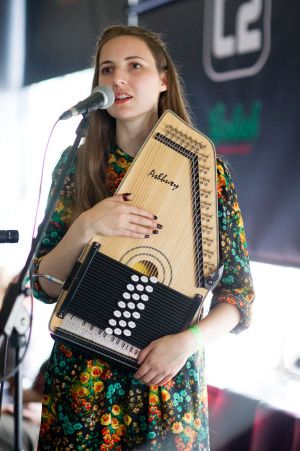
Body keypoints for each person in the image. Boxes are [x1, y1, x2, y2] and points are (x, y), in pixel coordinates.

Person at [31, 25, 254, 450]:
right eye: (107, 69)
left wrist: (186, 343)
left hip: (164, 386)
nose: (118, 79)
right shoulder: (76, 165)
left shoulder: (208, 173)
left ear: (164, 80)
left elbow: (238, 297)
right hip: (82, 385)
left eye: (135, 66)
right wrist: (87, 227)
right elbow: (43, 285)